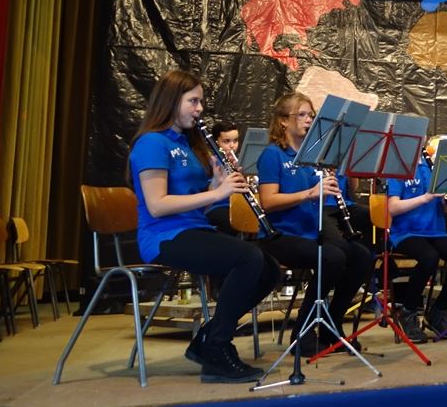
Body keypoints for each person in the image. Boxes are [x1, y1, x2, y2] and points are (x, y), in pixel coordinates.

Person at [127, 70, 280, 383]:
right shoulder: (151, 144)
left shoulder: (186, 144)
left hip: (195, 228)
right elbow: (157, 205)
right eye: (192, 101)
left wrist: (217, 182)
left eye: (201, 102)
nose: (199, 109)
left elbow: (200, 202)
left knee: (270, 269)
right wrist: (218, 192)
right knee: (247, 257)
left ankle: (208, 339)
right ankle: (218, 348)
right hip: (163, 236)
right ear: (171, 101)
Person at [255, 92, 374, 356]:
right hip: (279, 235)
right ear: (284, 121)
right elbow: (268, 201)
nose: (309, 120)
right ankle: (303, 332)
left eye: (311, 115)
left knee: (361, 256)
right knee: (332, 257)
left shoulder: (312, 157)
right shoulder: (273, 155)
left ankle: (332, 325)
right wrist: (310, 193)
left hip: (310, 230)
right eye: (303, 115)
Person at [385, 135, 447, 342]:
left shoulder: (432, 165)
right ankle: (407, 312)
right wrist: (426, 197)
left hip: (435, 230)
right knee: (429, 257)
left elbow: (439, 204)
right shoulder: (398, 167)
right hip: (406, 232)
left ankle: (437, 312)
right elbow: (393, 208)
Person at [203, 119, 240, 236]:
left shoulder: (239, 162)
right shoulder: (210, 162)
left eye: (235, 141)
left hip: (237, 205)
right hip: (216, 207)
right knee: (229, 222)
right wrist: (219, 182)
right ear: (216, 142)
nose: (232, 146)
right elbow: (204, 192)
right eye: (226, 141)